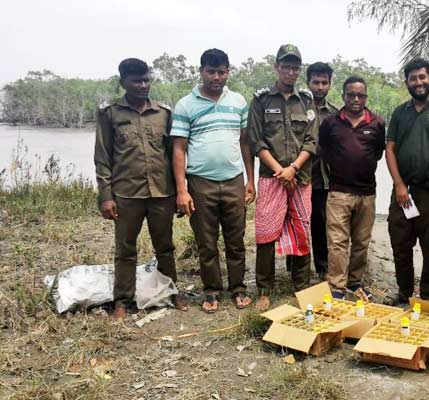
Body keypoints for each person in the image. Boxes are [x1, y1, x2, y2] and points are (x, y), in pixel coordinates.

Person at [94, 58, 187, 319]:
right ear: (123, 81)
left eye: (147, 80)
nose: (143, 85)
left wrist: (181, 191)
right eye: (137, 81)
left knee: (165, 246)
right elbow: (102, 157)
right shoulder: (110, 113)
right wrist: (106, 196)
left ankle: (171, 292)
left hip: (161, 193)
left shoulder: (163, 113)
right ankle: (122, 300)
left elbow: (174, 155)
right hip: (126, 194)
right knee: (125, 249)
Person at [171, 49, 256, 314]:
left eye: (221, 72)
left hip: (233, 180)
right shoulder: (186, 105)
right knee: (206, 241)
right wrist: (182, 190)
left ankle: (238, 287)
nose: (216, 77)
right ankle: (211, 290)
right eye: (211, 71)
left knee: (236, 238)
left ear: (228, 72)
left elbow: (245, 143)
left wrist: (250, 179)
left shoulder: (239, 101)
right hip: (200, 182)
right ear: (201, 71)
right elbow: (178, 149)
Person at [248, 44, 316, 310]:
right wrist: (280, 170)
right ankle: (264, 289)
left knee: (302, 230)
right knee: (266, 232)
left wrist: (294, 169)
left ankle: (301, 286)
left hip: (300, 178)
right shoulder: (262, 100)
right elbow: (256, 140)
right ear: (276, 67)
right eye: (286, 66)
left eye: (295, 67)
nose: (290, 71)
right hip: (271, 177)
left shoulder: (307, 100)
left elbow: (312, 140)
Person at [385, 58, 429, 305]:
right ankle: (404, 293)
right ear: (406, 82)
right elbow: (390, 149)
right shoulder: (399, 113)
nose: (418, 82)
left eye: (422, 77)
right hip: (404, 194)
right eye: (413, 78)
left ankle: (427, 297)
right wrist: (398, 185)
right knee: (400, 244)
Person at [319, 76, 386, 300]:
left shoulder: (377, 123)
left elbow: (377, 153)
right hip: (339, 192)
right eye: (351, 95)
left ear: (366, 97)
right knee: (337, 242)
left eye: (360, 95)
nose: (356, 99)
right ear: (343, 96)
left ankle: (355, 282)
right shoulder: (330, 123)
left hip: (367, 193)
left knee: (361, 241)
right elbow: (326, 153)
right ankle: (337, 286)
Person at [286, 62, 339, 281]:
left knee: (320, 221)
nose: (319, 87)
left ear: (329, 84)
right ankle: (293, 265)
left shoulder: (335, 114)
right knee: (293, 221)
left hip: (322, 177)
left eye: (324, 82)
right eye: (315, 82)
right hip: (296, 175)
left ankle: (322, 267)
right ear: (308, 83)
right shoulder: (296, 107)